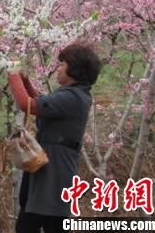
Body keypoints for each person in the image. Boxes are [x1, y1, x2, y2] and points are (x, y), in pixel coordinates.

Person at [7, 42, 102, 233]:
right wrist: (24, 80)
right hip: (49, 165)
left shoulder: (73, 97)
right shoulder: (73, 95)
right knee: (31, 221)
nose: (58, 68)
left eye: (62, 64)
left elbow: (28, 105)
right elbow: (40, 103)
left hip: (56, 170)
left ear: (74, 70)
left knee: (50, 223)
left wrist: (12, 73)